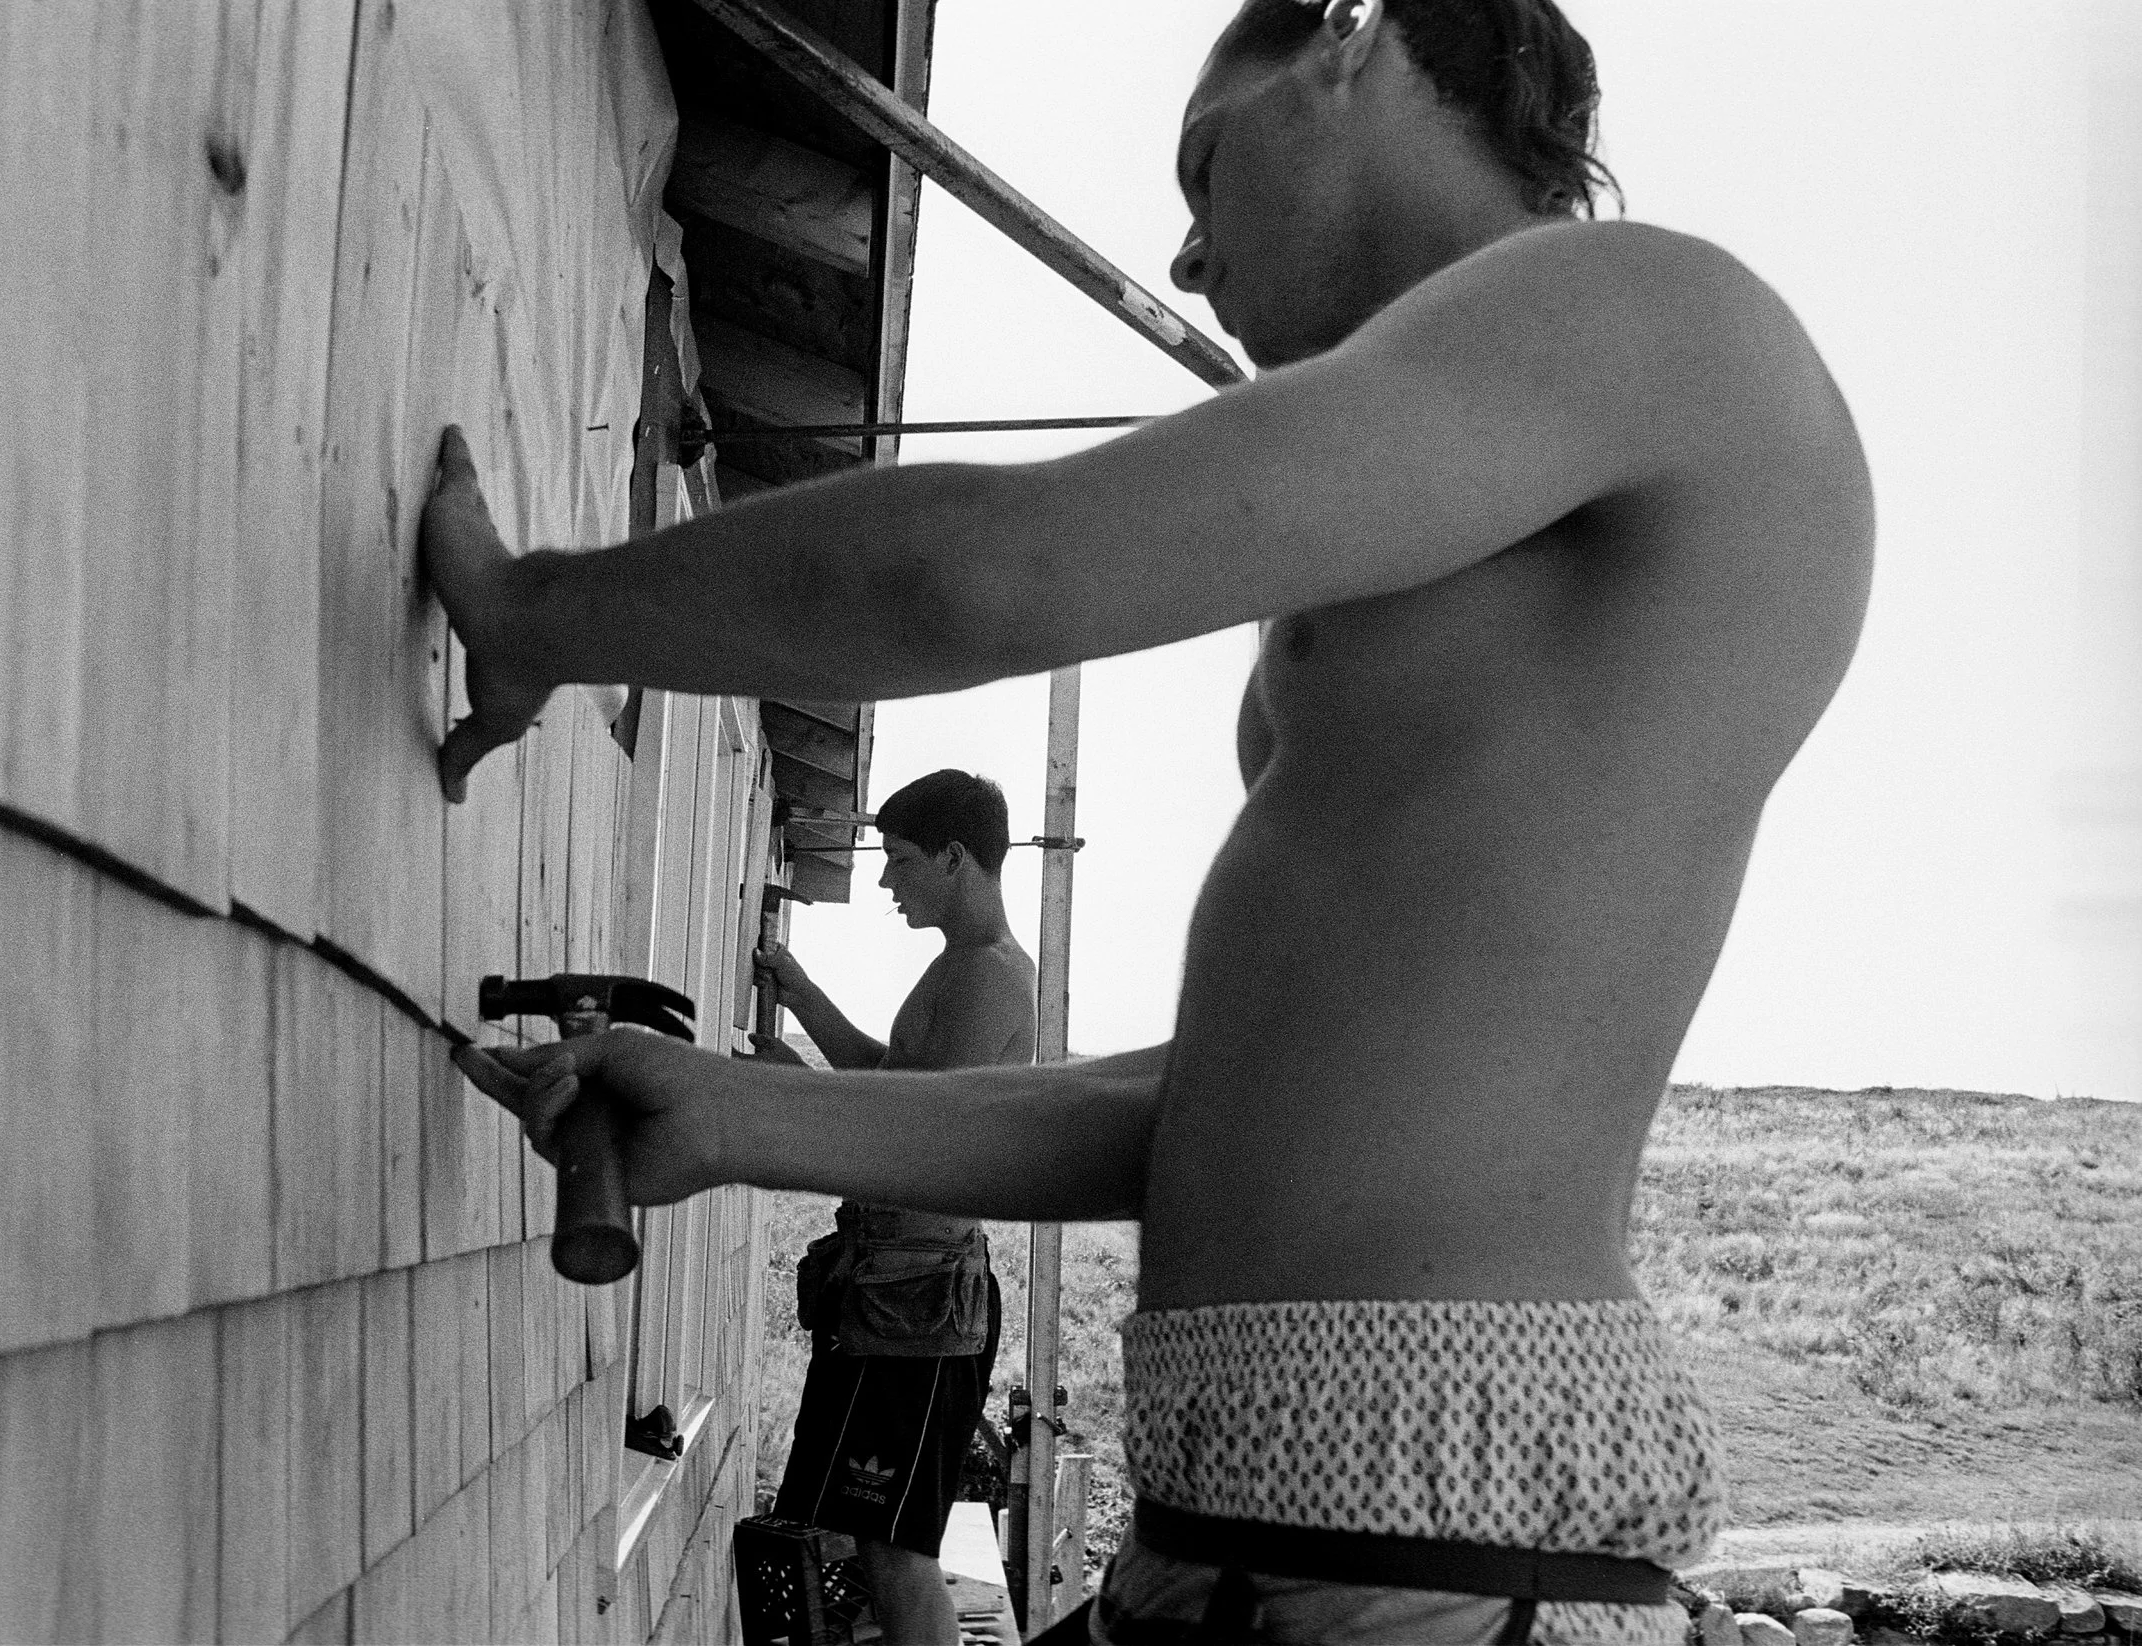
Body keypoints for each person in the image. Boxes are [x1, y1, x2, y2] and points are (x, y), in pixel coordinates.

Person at [431, 0, 1872, 1637]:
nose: (1187, 262)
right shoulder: (1489, 498)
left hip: (1443, 1567)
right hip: (1255, 1542)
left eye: (1204, 165)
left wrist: (539, 611)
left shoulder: (1650, 311)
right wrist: (737, 1115)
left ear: (1352, 37)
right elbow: (1224, 1110)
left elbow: (980, 572)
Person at [746, 769, 1035, 1645]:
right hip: (890, 1299)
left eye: (899, 861)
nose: (884, 883)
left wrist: (792, 1094)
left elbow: (920, 1132)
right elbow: (892, 1078)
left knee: (894, 1553)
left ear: (954, 858)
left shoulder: (988, 977)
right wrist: (800, 996)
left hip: (919, 1309)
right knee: (871, 1547)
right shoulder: (957, 969)